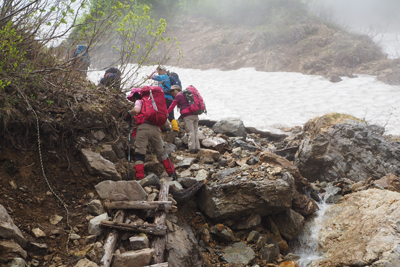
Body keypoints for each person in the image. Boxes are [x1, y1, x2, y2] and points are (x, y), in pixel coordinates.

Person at [126, 88, 176, 180]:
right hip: (156, 129)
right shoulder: (151, 103)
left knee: (140, 154)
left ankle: (139, 177)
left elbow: (136, 110)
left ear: (134, 96)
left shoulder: (139, 101)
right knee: (162, 153)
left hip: (143, 128)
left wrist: (129, 113)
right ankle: (172, 173)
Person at [167, 85, 201, 154]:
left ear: (177, 90)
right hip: (195, 114)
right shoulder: (186, 95)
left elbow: (172, 106)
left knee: (190, 132)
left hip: (188, 116)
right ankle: (197, 148)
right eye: (171, 91)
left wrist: (166, 113)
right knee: (195, 132)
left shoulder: (179, 96)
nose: (172, 92)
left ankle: (192, 149)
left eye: (173, 90)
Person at [148, 66, 179, 133]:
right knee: (171, 115)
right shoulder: (168, 78)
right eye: (159, 70)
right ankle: (175, 130)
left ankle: (161, 128)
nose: (159, 72)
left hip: (164, 99)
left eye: (160, 70)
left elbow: (152, 77)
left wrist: (153, 73)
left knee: (161, 113)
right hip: (170, 99)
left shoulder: (164, 77)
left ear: (164, 70)